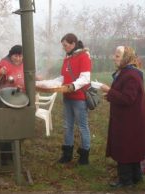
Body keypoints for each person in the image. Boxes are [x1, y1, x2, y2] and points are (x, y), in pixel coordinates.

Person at [36, 33, 92, 165]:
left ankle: (84, 156)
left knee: (82, 126)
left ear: (73, 44)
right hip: (67, 97)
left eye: (65, 45)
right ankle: (67, 154)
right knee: (67, 126)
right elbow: (62, 78)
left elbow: (85, 78)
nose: (64, 48)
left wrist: (72, 86)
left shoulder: (84, 56)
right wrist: (45, 83)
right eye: (63, 46)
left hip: (79, 98)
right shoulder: (67, 59)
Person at [100, 46, 145, 188]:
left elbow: (128, 98)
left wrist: (108, 90)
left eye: (117, 55)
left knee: (125, 148)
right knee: (133, 147)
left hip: (129, 120)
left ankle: (125, 181)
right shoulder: (126, 72)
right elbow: (122, 94)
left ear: (126, 57)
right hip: (129, 118)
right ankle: (136, 177)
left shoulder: (131, 74)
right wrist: (110, 95)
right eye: (115, 55)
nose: (114, 57)